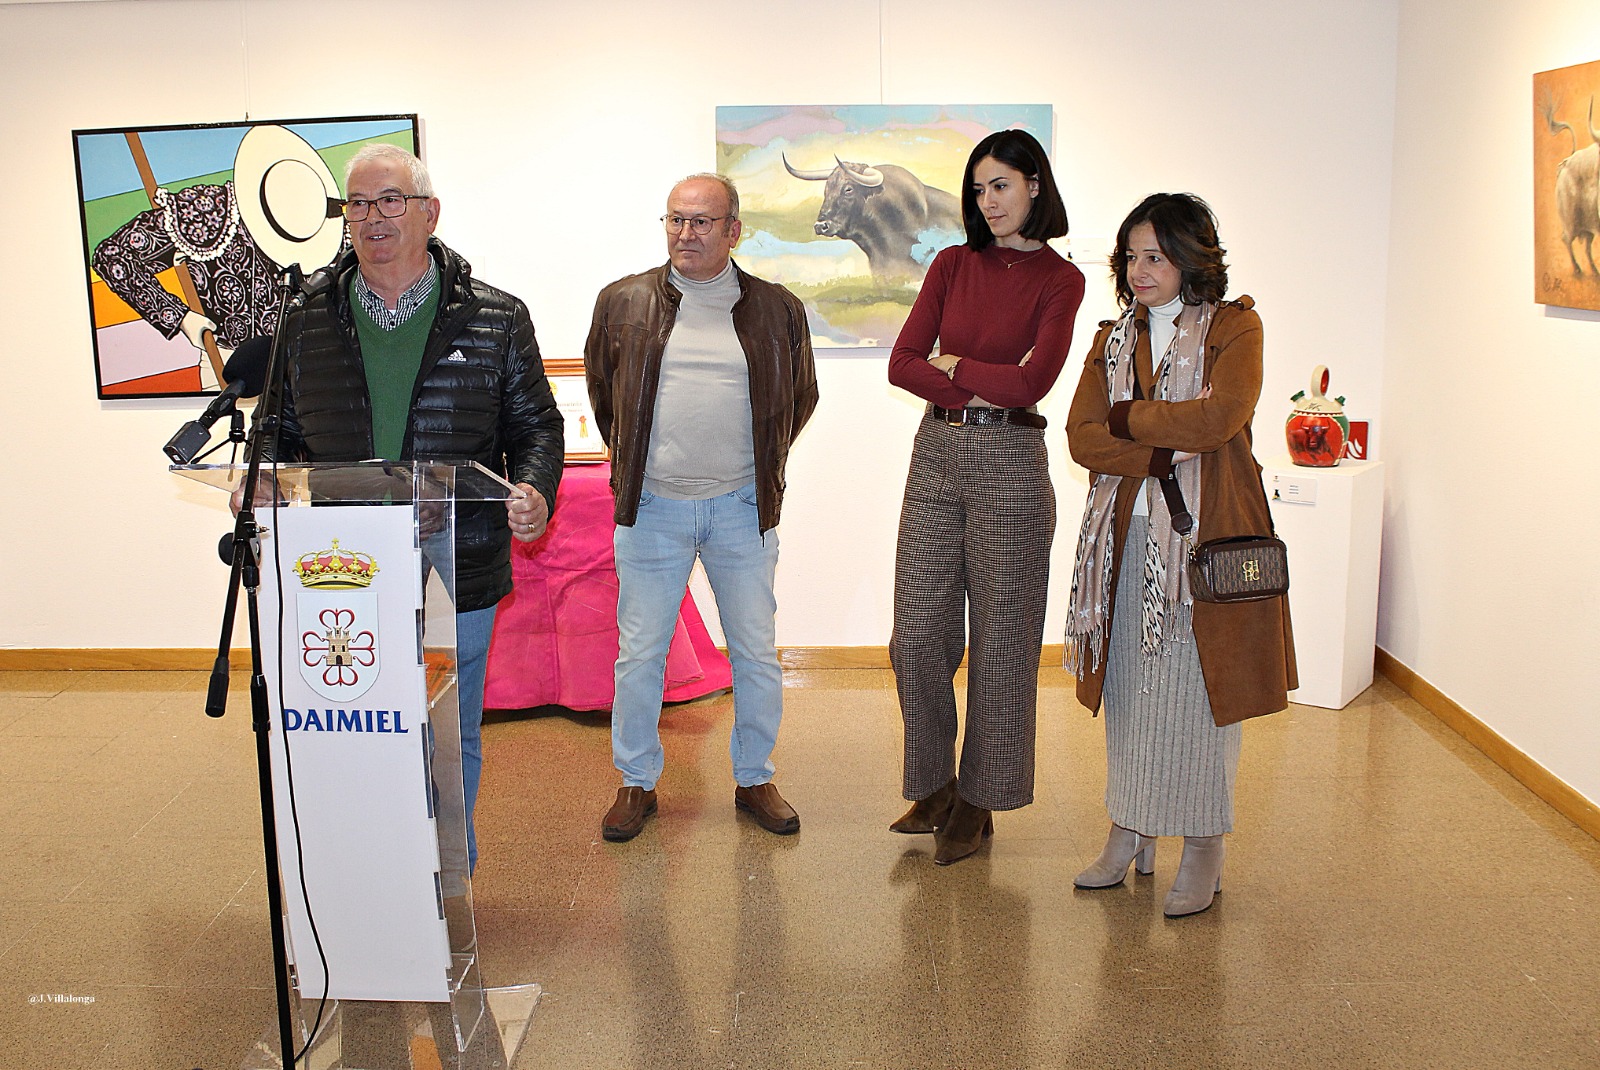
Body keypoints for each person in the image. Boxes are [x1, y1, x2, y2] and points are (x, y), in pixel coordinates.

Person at [257, 143, 565, 877]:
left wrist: (535, 490)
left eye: (390, 200)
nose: (372, 218)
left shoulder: (495, 316)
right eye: (357, 205)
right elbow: (277, 426)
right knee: (355, 714)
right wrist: (264, 475)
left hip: (455, 555)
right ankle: (375, 868)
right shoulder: (305, 320)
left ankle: (447, 870)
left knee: (449, 726)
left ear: (429, 212)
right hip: (343, 555)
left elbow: (536, 427)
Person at [1064, 193, 1296, 917]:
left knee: (1201, 695)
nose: (1139, 270)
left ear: (1193, 259)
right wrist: (1163, 434)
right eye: (1131, 256)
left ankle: (1204, 844)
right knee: (1132, 691)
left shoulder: (1236, 327)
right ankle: (1129, 829)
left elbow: (1222, 417)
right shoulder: (1111, 338)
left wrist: (1130, 418)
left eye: (1155, 256)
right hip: (1124, 541)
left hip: (1207, 541)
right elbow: (1080, 437)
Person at [584, 173, 818, 843]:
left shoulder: (777, 308)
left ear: (733, 231)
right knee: (639, 655)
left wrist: (754, 467)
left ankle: (755, 777)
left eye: (702, 222)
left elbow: (799, 398)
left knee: (755, 652)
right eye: (675, 220)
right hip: (652, 508)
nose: (686, 234)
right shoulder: (623, 301)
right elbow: (606, 395)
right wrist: (639, 464)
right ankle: (635, 782)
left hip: (743, 508)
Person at [886, 130, 1085, 866]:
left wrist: (958, 363)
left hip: (1010, 458)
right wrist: (977, 376)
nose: (987, 201)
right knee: (915, 637)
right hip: (936, 453)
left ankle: (980, 799)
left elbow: (1035, 384)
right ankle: (934, 783)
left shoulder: (1062, 281)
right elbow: (902, 364)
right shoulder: (950, 263)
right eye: (978, 189)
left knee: (1002, 642)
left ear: (1035, 184)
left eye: (1000, 185)